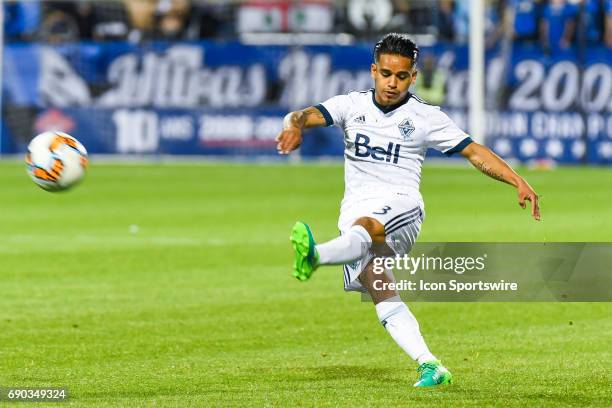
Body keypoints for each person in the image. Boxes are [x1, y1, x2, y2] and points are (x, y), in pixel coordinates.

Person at [275, 33, 541, 388]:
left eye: (401, 76)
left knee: (367, 227)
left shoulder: (425, 116)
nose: (392, 83)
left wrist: (516, 179)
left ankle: (315, 256)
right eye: (386, 74)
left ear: (413, 77)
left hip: (401, 205)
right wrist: (292, 125)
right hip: (354, 210)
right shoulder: (351, 105)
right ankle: (431, 365)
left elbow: (473, 151)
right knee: (379, 287)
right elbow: (303, 114)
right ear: (374, 71)